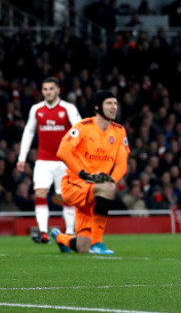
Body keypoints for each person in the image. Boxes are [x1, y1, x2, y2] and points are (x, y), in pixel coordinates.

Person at [51, 90, 130, 255]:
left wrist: (111, 180)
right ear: (97, 106)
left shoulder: (119, 131)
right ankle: (98, 242)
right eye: (109, 103)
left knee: (82, 248)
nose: (114, 107)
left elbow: (122, 165)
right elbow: (62, 151)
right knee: (107, 189)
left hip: (94, 190)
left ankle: (60, 237)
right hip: (75, 184)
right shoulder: (84, 127)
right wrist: (83, 174)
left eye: (115, 103)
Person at [17, 77, 81, 243]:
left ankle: (69, 232)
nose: (48, 92)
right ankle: (43, 233)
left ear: (58, 90)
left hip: (64, 162)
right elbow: (29, 132)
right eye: (45, 89)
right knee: (40, 193)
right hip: (43, 160)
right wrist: (22, 157)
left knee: (66, 197)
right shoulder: (36, 109)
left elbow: (80, 130)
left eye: (51, 89)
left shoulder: (68, 108)